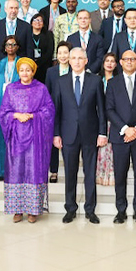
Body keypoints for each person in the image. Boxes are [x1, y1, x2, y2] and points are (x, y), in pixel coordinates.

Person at [52, 47, 107, 224]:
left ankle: (90, 210)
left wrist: (102, 132)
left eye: (80, 58)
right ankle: (70, 209)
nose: (76, 61)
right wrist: (56, 134)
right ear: (68, 61)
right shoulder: (60, 82)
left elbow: (101, 109)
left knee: (90, 173)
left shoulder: (95, 81)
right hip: (68, 134)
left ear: (86, 61)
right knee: (70, 173)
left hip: (90, 133)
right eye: (73, 58)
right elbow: (56, 111)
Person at [0, 57, 55, 223]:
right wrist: (16, 115)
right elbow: (3, 112)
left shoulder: (41, 89)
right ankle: (17, 210)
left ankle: (33, 210)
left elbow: (49, 110)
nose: (25, 73)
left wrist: (32, 116)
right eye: (22, 70)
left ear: (33, 72)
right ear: (18, 72)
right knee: (16, 170)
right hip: (16, 137)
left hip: (35, 137)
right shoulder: (11, 89)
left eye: (28, 70)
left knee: (33, 170)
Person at [106, 50, 136, 224]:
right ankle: (121, 211)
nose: (129, 62)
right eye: (126, 59)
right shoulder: (112, 83)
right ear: (120, 62)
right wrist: (126, 129)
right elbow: (109, 109)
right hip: (120, 136)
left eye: (132, 59)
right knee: (120, 175)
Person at [0, 35, 21, 181]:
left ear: (17, 47)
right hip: (1, 104)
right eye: (8, 44)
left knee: (18, 139)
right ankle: (2, 171)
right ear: (4, 47)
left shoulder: (22, 63)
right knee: (2, 139)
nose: (11, 47)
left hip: (18, 106)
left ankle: (16, 169)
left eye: (13, 44)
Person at [44, 41, 73, 183]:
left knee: (69, 142)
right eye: (60, 53)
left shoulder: (74, 70)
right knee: (53, 141)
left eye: (65, 53)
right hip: (54, 111)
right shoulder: (51, 71)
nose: (62, 56)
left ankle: (70, 170)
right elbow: (47, 92)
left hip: (70, 112)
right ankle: (54, 171)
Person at [0, 0, 34, 67]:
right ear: (5, 9)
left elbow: (29, 49)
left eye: (16, 8)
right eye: (11, 8)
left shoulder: (26, 26)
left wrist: (30, 66)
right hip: (1, 65)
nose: (13, 11)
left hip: (21, 65)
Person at [95, 53, 117, 186]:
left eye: (112, 61)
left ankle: (110, 176)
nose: (109, 63)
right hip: (98, 118)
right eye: (107, 61)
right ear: (103, 63)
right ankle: (100, 175)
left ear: (116, 64)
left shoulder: (119, 80)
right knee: (100, 149)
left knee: (111, 150)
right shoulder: (97, 79)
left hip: (114, 119)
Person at [30, 13, 54, 84]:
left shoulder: (48, 34)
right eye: (35, 20)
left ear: (43, 24)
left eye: (40, 20)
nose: (38, 22)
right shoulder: (27, 34)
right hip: (30, 65)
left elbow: (49, 51)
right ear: (31, 23)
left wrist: (39, 62)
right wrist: (32, 62)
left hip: (44, 65)